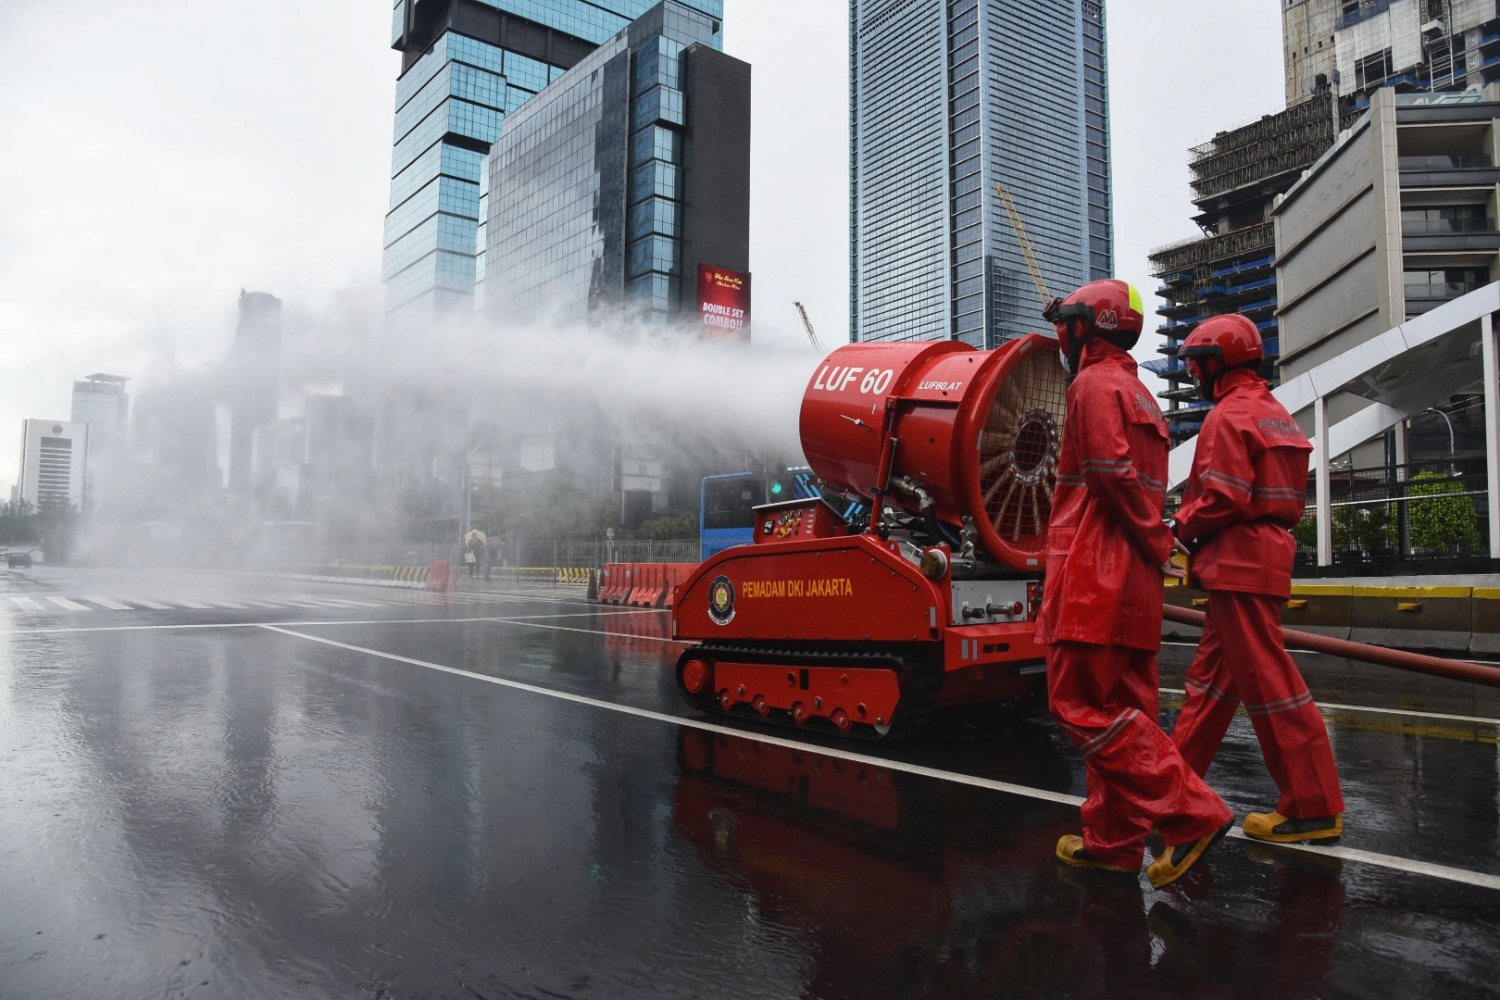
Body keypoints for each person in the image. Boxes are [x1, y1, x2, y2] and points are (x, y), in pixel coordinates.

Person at [1036, 278, 1234, 889]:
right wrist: (1156, 544)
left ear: (1084, 328)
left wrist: (1155, 539)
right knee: (1125, 713)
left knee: (1077, 706)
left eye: (1066, 327)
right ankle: (1115, 842)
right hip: (1134, 584)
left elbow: (1108, 474)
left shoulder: (1092, 384)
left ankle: (1192, 814)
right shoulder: (1143, 395)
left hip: (1092, 573)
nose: (1061, 339)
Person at [1170, 313, 1345, 843]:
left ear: (1216, 363)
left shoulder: (1227, 415)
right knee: (1209, 687)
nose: (1193, 374)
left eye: (1196, 364)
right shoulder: (1275, 414)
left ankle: (1313, 806)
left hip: (1237, 556)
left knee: (1272, 683)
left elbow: (1223, 496)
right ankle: (1171, 796)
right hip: (1263, 552)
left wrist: (1177, 526)